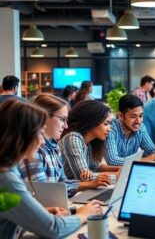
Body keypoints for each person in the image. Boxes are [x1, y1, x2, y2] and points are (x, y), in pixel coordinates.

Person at [0, 99, 102, 238]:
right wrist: (83, 215)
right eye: (39, 133)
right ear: (23, 135)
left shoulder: (8, 170)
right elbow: (53, 229)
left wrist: (40, 213)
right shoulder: (6, 179)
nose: (42, 141)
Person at [19, 94, 110, 197]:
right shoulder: (32, 150)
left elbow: (62, 183)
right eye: (62, 119)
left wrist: (90, 184)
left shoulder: (55, 147)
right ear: (43, 117)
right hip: (46, 208)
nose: (66, 126)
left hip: (54, 205)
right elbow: (42, 195)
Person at [59, 100, 120, 181]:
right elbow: (84, 177)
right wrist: (116, 176)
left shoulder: (91, 141)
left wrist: (120, 169)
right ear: (92, 122)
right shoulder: (73, 138)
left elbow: (96, 167)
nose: (109, 128)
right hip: (67, 192)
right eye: (106, 123)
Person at [105, 95, 155, 166]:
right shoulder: (111, 129)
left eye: (141, 116)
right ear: (121, 116)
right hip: (112, 173)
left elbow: (152, 150)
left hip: (130, 171)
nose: (138, 121)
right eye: (133, 117)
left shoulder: (140, 127)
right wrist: (143, 160)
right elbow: (112, 160)